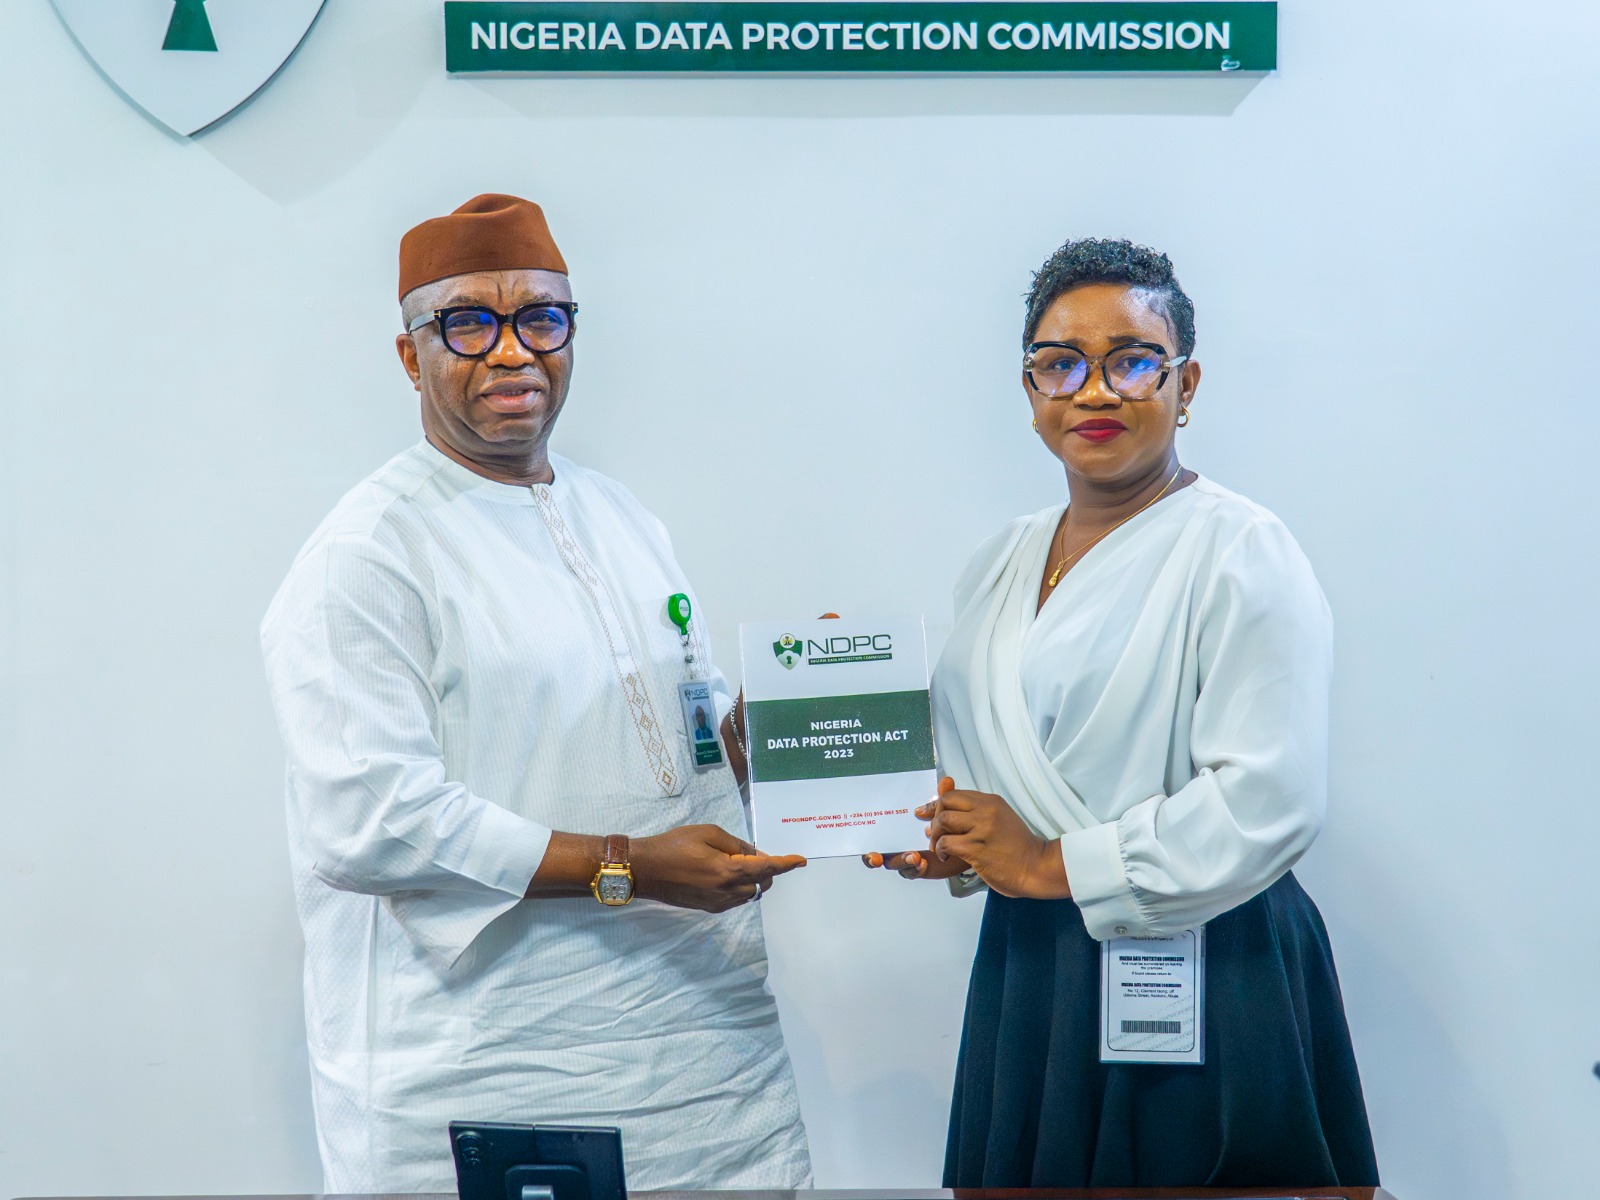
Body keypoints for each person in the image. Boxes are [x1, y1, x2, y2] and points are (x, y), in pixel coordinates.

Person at [260, 194, 811, 1193]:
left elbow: (679, 743)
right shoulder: (370, 554)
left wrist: (792, 723)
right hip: (494, 1069)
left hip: (703, 1071)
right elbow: (372, 824)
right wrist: (631, 867)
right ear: (410, 355)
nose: (512, 351)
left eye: (541, 318)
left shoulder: (618, 515)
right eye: (468, 323)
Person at [867, 239, 1379, 1188]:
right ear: (1030, 393)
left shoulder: (1240, 548)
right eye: (1061, 363)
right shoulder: (1003, 559)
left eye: (1132, 361)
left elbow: (1268, 800)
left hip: (1204, 951)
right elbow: (1004, 761)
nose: (1093, 390)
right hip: (1034, 960)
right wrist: (951, 838)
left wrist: (1047, 863)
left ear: (1186, 385)